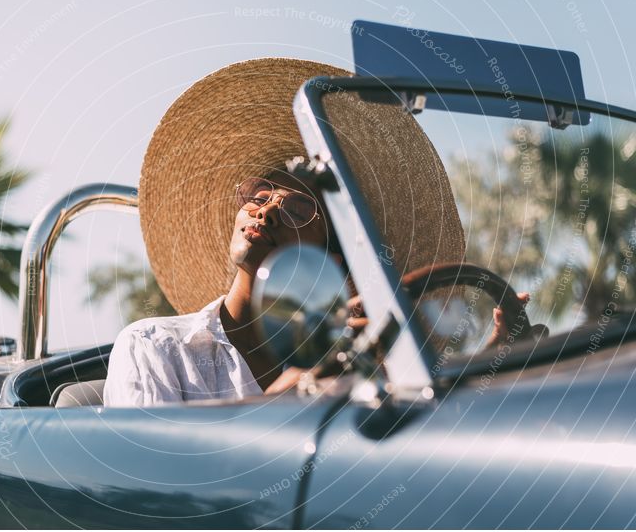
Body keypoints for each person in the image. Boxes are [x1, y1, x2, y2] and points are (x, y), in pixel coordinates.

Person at [103, 58, 470, 407]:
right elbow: (156, 472)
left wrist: (473, 378)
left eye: (297, 210)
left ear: (333, 258)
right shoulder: (155, 347)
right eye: (259, 196)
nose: (266, 211)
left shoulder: (353, 371)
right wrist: (280, 403)